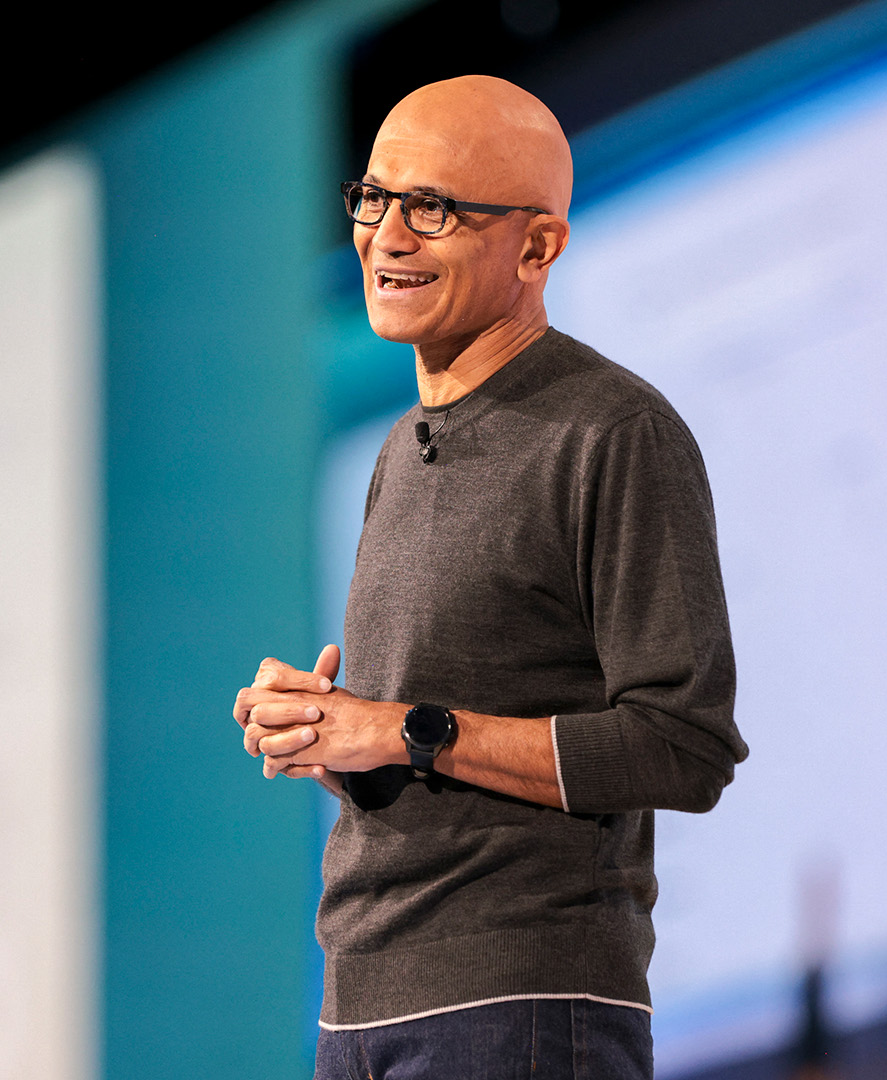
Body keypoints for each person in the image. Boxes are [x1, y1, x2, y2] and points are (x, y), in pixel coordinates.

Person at [231, 75, 748, 1079]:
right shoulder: (397, 449)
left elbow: (684, 746)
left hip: (519, 1003)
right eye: (374, 199)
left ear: (538, 246)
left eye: (433, 208)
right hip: (361, 1005)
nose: (387, 236)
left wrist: (404, 725)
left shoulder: (612, 431)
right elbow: (434, 750)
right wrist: (330, 731)